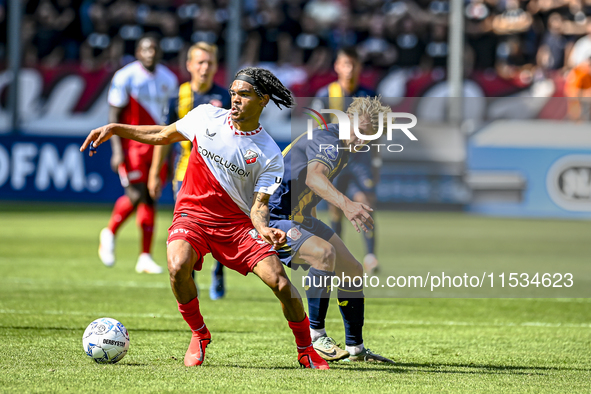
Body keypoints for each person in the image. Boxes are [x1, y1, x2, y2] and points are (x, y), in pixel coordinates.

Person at [81, 67, 330, 370]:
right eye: (233, 93)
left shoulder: (269, 153)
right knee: (176, 265)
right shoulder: (205, 117)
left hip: (236, 226)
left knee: (280, 282)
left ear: (263, 100)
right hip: (193, 216)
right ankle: (199, 334)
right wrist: (116, 128)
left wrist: (264, 228)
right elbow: (162, 134)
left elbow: (258, 206)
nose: (236, 100)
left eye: (245, 94)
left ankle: (306, 349)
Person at [269, 96, 394, 364]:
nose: (362, 139)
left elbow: (302, 180)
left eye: (369, 136)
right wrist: (347, 205)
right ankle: (316, 338)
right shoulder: (329, 140)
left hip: (299, 216)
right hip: (272, 216)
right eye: (360, 131)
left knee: (352, 269)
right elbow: (314, 177)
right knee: (324, 254)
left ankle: (356, 349)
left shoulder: (346, 146)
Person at [148, 42, 230, 300]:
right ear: (189, 65)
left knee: (218, 228)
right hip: (185, 174)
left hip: (218, 176)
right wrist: (154, 172)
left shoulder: (226, 97)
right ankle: (189, 279)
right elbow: (164, 137)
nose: (204, 68)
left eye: (209, 63)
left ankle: (218, 269)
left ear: (216, 66)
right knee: (187, 228)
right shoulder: (177, 97)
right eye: (200, 62)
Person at [98, 35, 178, 274]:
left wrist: (171, 154)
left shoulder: (169, 79)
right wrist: (116, 150)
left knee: (151, 196)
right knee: (135, 194)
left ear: (160, 52)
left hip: (159, 146)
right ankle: (109, 232)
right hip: (132, 147)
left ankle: (144, 256)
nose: (150, 53)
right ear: (138, 52)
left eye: (154, 48)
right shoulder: (125, 76)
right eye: (146, 49)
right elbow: (114, 114)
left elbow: (172, 119)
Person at [314, 47, 380, 275]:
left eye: (353, 64)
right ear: (337, 66)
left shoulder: (369, 95)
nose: (349, 70)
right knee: (335, 208)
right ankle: (338, 255)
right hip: (335, 161)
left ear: (359, 67)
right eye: (345, 64)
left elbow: (378, 132)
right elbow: (316, 130)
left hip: (361, 160)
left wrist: (377, 162)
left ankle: (371, 256)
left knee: (365, 202)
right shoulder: (326, 94)